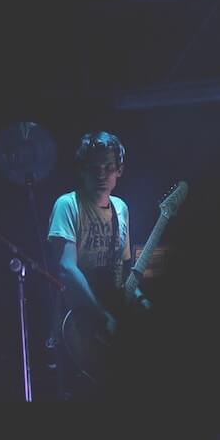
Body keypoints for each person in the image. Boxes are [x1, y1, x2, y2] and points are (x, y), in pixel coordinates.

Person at [47, 130, 151, 400]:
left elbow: (123, 272)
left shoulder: (121, 209)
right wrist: (100, 315)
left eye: (109, 167)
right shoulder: (67, 205)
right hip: (80, 324)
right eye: (95, 168)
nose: (102, 174)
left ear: (120, 170)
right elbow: (67, 268)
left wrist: (141, 302)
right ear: (82, 170)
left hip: (114, 322)